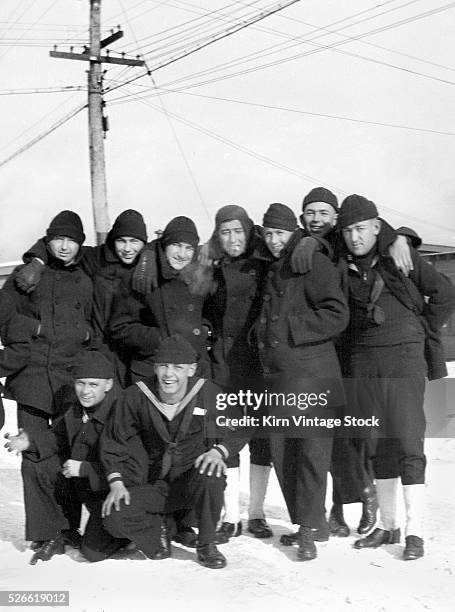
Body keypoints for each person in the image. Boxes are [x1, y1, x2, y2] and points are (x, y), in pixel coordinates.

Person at [337, 194, 455, 560]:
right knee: (376, 444)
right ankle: (388, 526)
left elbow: (446, 294)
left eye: (361, 228)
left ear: (375, 226)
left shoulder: (399, 256)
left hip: (404, 360)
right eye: (348, 231)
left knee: (406, 442)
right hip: (363, 363)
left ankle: (415, 532)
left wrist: (419, 330)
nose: (355, 237)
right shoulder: (342, 264)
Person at [100, 334, 247, 569]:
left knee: (213, 472)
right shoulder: (136, 395)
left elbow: (240, 426)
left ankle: (206, 544)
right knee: (113, 516)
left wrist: (219, 451)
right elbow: (113, 441)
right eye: (163, 366)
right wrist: (116, 482)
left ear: (191, 370)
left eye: (178, 367)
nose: (169, 374)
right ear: (155, 368)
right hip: (153, 484)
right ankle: (159, 530)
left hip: (192, 483)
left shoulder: (207, 392)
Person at [253, 203, 349, 561]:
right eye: (269, 234)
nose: (274, 240)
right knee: (283, 450)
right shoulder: (274, 263)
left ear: (293, 231)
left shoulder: (313, 260)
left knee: (311, 453)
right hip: (280, 375)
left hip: (313, 375)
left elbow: (337, 314)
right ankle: (310, 522)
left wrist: (289, 332)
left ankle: (308, 530)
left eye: (280, 233)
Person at [2, 210, 95, 544]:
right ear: (48, 239)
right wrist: (34, 328)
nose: (65, 246)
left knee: (68, 452)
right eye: (58, 239)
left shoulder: (86, 280)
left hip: (70, 379)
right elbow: (4, 312)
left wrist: (85, 338)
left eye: (71, 240)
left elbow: (95, 325)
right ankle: (43, 533)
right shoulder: (29, 275)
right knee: (33, 454)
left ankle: (68, 527)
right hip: (33, 377)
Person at [4, 350, 121, 564]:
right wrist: (30, 442)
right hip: (84, 485)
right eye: (80, 383)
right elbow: (57, 436)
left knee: (92, 552)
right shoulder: (77, 407)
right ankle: (55, 532)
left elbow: (130, 467)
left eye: (93, 385)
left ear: (109, 384)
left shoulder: (123, 412)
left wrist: (85, 468)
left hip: (112, 492)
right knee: (35, 463)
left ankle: (133, 532)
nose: (85, 391)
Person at [14, 209, 148, 387]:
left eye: (135, 241)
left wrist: (150, 256)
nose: (127, 248)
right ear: (112, 240)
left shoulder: (148, 266)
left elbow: (166, 251)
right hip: (99, 351)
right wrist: (37, 260)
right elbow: (61, 244)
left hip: (135, 353)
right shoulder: (94, 258)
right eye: (121, 241)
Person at [203, 205, 273, 542]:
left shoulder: (267, 264)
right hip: (223, 366)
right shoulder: (210, 268)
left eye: (238, 231)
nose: (232, 238)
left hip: (259, 366)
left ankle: (256, 514)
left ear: (248, 232)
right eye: (225, 232)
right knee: (225, 437)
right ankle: (230, 517)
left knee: (261, 441)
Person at [109, 216, 211, 382]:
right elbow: (119, 327)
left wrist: (205, 330)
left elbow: (210, 312)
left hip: (195, 370)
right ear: (165, 246)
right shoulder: (143, 276)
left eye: (188, 248)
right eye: (176, 245)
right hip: (153, 370)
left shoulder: (201, 276)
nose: (182, 254)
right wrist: (161, 338)